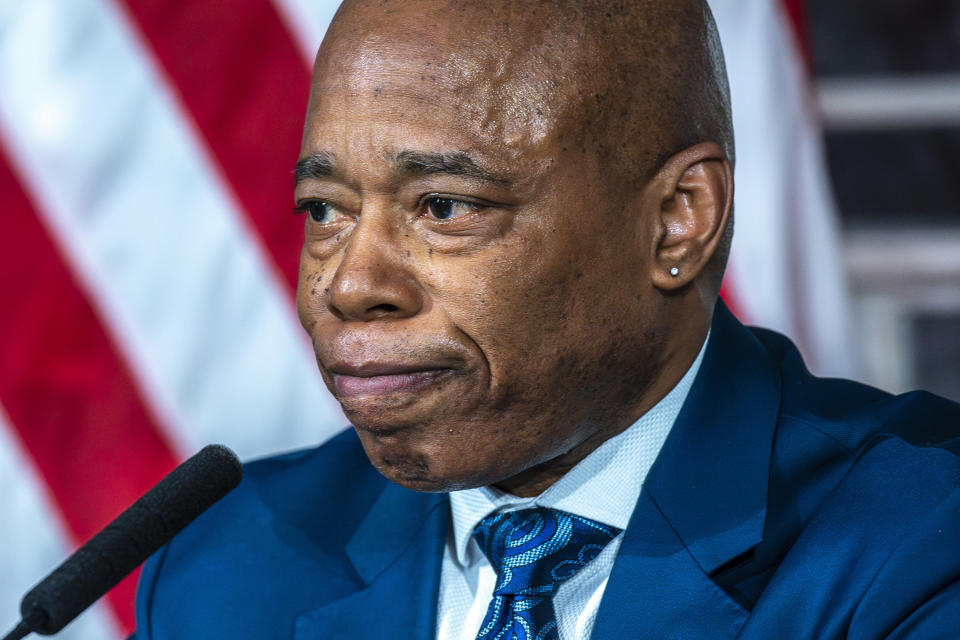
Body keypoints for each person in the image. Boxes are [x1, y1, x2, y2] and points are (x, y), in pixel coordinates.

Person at [132, 0, 960, 638]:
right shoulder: (229, 564)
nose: (348, 285)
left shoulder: (922, 541)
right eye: (324, 210)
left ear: (678, 219)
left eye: (444, 206)